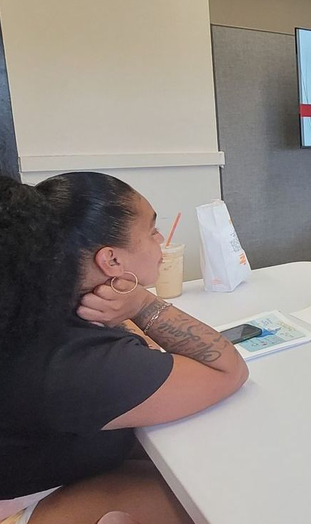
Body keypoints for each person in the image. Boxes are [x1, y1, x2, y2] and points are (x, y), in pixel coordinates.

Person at [0, 172, 250, 524]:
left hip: (41, 470)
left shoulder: (39, 310)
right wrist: (143, 305)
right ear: (112, 261)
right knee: (219, 498)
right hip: (20, 505)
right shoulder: (79, 362)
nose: (160, 238)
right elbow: (228, 370)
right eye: (151, 230)